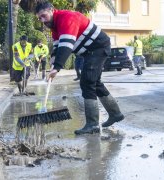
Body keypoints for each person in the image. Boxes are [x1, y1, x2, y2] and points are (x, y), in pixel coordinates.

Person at [35, 1, 124, 135]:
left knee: (87, 82)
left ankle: (92, 124)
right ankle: (115, 114)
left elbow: (66, 46)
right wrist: (53, 64)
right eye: (39, 18)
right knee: (95, 83)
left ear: (52, 10)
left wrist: (57, 67)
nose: (42, 20)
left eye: (43, 16)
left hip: (98, 47)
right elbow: (57, 47)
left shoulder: (67, 18)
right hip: (89, 52)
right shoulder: (55, 28)